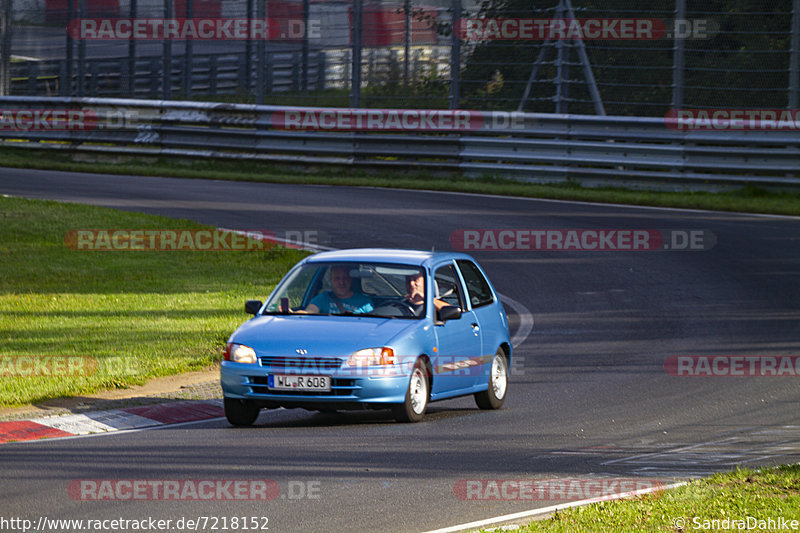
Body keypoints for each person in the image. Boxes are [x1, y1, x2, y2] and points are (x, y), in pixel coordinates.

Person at [304, 265, 374, 314]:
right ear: (331, 280)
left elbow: (372, 323)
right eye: (337, 278)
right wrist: (296, 314)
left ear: (351, 279)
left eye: (345, 278)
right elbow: (310, 312)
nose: (341, 282)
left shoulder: (365, 302)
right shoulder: (323, 298)